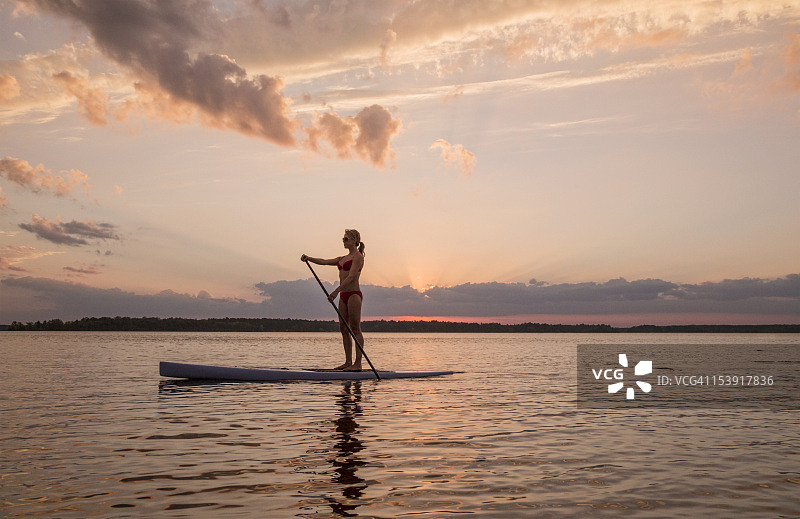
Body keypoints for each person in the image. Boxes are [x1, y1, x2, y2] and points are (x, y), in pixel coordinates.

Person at [301, 229, 366, 371]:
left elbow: (351, 277)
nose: (344, 241)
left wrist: (335, 292)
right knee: (343, 328)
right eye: (343, 239)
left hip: (354, 295)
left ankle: (358, 364)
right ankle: (348, 362)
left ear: (355, 240)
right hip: (343, 296)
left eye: (347, 239)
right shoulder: (342, 258)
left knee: (355, 328)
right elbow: (324, 262)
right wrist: (309, 258)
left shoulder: (358, 257)